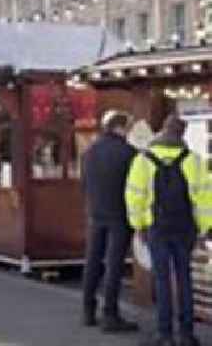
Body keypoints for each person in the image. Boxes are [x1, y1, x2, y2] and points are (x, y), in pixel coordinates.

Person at [126, 115, 212, 346]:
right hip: (184, 229)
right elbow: (205, 199)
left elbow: (134, 196)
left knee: (162, 280)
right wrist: (204, 230)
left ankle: (164, 334)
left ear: (162, 130)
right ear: (182, 134)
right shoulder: (194, 161)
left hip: (157, 229)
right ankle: (186, 334)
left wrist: (139, 225)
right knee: (184, 278)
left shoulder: (143, 161)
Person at [81, 110, 138, 332]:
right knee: (114, 265)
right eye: (129, 127)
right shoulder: (129, 153)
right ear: (121, 127)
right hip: (120, 215)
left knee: (92, 261)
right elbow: (134, 188)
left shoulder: (90, 152)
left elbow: (84, 184)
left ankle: (88, 310)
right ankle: (110, 314)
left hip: (95, 213)